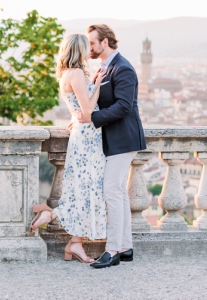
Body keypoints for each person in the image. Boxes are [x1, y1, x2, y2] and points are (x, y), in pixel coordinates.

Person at [72, 24, 147, 269]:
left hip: (123, 139)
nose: (89, 48)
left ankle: (112, 249)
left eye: (92, 43)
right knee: (118, 194)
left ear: (105, 42)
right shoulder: (105, 67)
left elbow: (124, 106)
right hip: (115, 139)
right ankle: (125, 247)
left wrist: (92, 119)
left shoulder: (122, 68)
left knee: (111, 193)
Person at [29, 34, 106, 263]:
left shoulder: (65, 74)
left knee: (80, 189)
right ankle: (51, 214)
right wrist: (98, 84)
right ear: (79, 50)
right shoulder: (76, 74)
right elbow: (88, 110)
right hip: (89, 138)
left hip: (81, 135)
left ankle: (74, 244)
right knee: (87, 189)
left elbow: (78, 111)